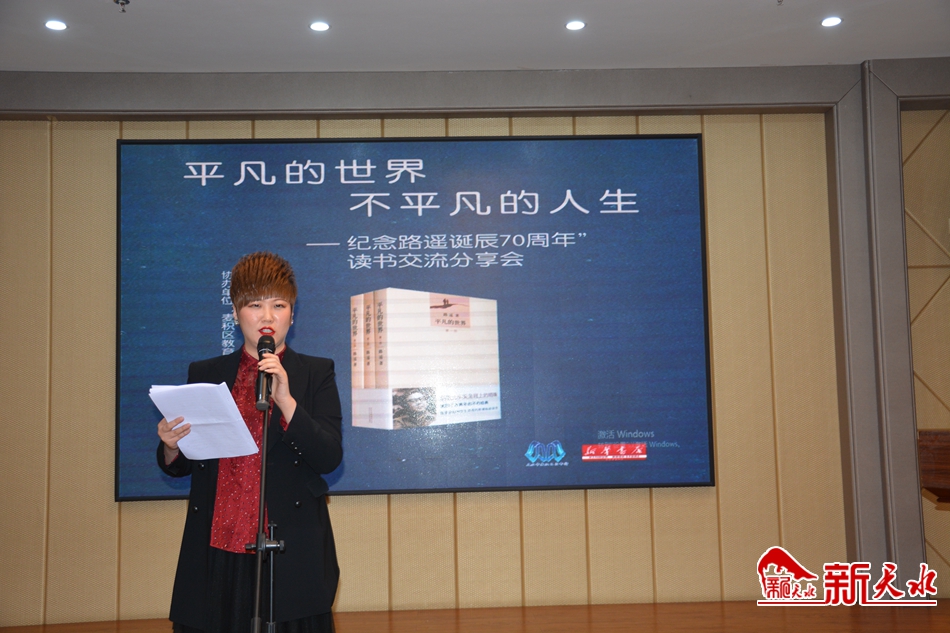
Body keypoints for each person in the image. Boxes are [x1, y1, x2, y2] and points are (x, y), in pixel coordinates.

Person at [157, 252, 342, 633]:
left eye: (279, 305)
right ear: (236, 312)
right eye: (255, 305)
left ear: (293, 314)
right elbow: (186, 463)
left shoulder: (316, 373)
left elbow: (329, 457)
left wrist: (286, 402)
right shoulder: (206, 373)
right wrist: (172, 445)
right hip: (217, 546)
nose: (267, 316)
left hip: (287, 547)